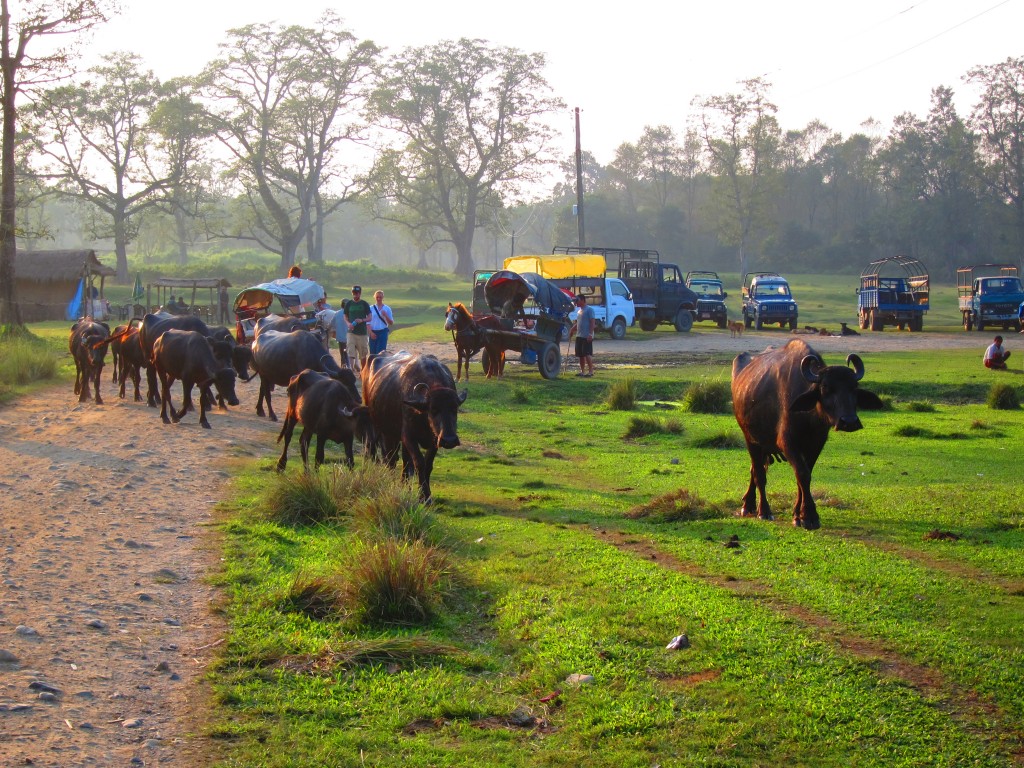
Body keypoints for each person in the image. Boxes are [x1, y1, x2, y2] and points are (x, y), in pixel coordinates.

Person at [342, 285, 372, 371]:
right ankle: (351, 369)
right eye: (354, 293)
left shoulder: (364, 304)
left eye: (357, 293)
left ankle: (363, 371)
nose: (356, 295)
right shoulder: (349, 304)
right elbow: (345, 316)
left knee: (363, 353)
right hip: (351, 331)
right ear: (352, 293)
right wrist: (348, 323)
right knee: (350, 350)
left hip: (362, 332)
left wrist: (362, 320)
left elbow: (370, 317)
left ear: (360, 293)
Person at [569, 293, 595, 377]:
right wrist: (572, 329)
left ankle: (591, 371)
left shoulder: (589, 310)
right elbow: (578, 323)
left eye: (577, 300)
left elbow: (592, 322)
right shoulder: (579, 311)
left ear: (583, 300)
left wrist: (590, 334)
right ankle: (582, 371)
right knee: (580, 355)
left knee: (587, 354)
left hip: (586, 335)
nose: (576, 302)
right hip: (579, 335)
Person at [367, 290, 394, 356]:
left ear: (383, 297)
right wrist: (370, 332)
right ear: (375, 297)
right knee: (372, 353)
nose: (379, 299)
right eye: (377, 297)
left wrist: (386, 315)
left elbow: (391, 323)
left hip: (383, 332)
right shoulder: (371, 308)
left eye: (380, 297)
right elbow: (368, 322)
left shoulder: (387, 309)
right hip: (373, 332)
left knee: (381, 352)